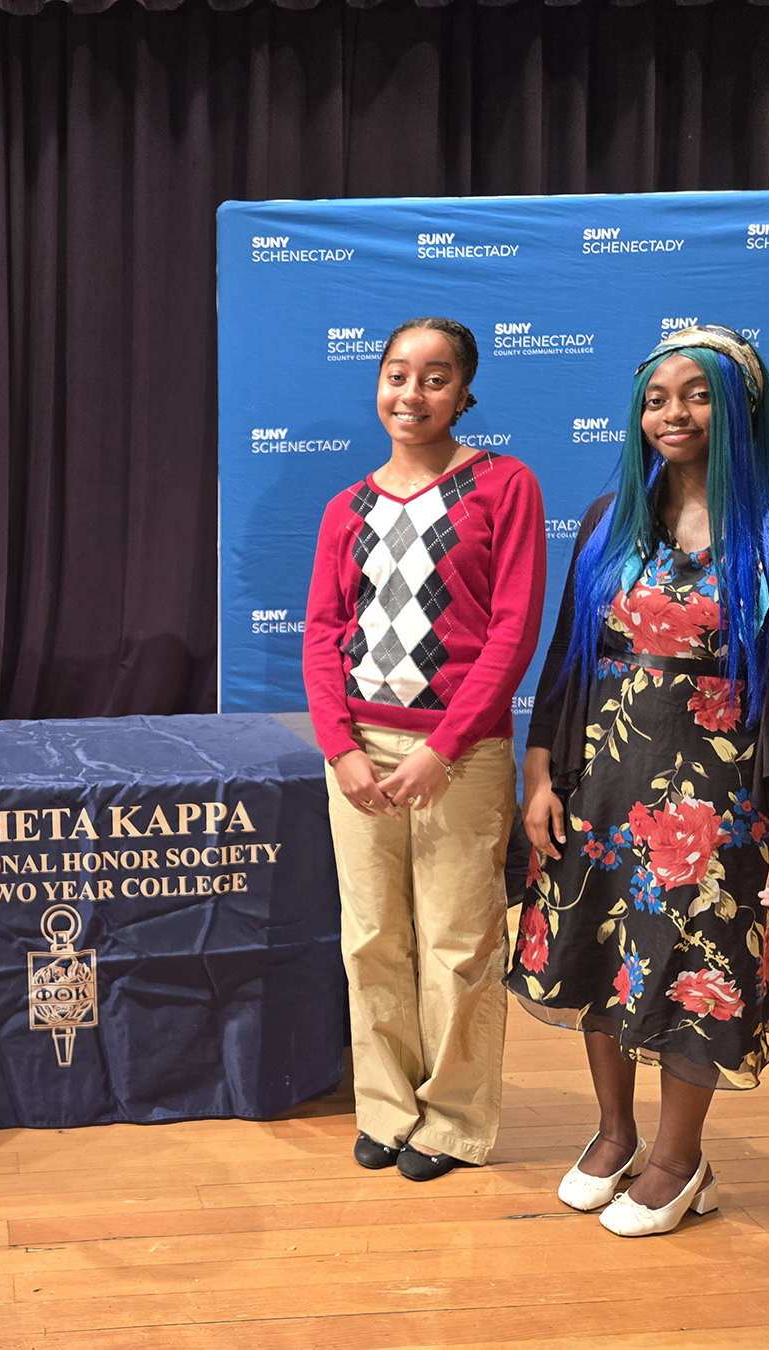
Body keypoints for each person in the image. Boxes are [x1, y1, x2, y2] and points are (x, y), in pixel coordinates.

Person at [512, 325, 769, 1237]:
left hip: (720, 796)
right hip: (603, 780)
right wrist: (540, 770)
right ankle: (615, 1133)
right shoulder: (610, 518)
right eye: (656, 399)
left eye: (696, 395)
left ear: (740, 406)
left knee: (700, 966)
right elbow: (568, 658)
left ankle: (678, 1160)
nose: (673, 414)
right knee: (597, 952)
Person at [303, 317, 547, 1182]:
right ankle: (385, 1106)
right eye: (398, 375)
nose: (412, 394)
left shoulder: (505, 485)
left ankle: (453, 1117)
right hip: (360, 753)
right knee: (371, 935)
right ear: (378, 384)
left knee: (458, 939)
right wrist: (340, 749)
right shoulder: (348, 508)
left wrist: (443, 747)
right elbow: (322, 633)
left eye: (435, 378)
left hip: (461, 754)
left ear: (464, 393)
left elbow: (513, 630)